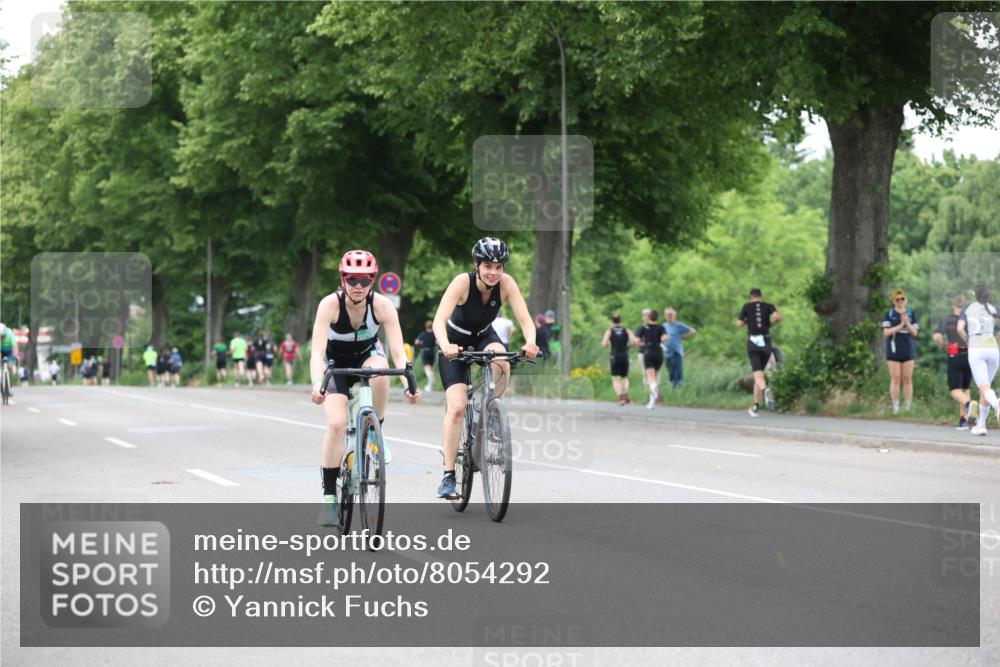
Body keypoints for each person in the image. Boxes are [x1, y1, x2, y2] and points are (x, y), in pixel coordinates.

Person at [310, 250, 419, 526]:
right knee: (336, 423)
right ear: (342, 279)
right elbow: (316, 352)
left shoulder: (382, 306)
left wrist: (408, 384)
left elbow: (397, 350)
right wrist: (316, 385)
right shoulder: (330, 305)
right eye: (352, 280)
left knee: (381, 371)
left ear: (373, 280)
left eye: (365, 281)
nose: (358, 287)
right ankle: (329, 499)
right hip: (334, 365)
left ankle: (374, 432)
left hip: (366, 357)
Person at [433, 237, 539, 499]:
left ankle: (493, 411)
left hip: (483, 335)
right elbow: (439, 321)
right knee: (457, 408)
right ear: (476, 265)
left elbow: (525, 319)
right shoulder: (462, 282)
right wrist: (446, 345)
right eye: (488, 266)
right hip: (454, 341)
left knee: (501, 358)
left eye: (499, 266)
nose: (493, 272)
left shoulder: (506, 283)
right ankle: (448, 476)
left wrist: (531, 342)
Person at [958, 285, 1000, 436]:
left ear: (974, 295)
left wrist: (968, 340)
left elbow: (959, 329)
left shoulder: (968, 309)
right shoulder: (993, 308)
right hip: (992, 346)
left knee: (984, 387)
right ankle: (981, 425)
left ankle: (997, 404)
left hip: (976, 346)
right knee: (986, 387)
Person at [737, 288, 782, 417]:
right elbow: (778, 317)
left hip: (753, 343)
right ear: (761, 296)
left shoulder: (747, 306)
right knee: (760, 375)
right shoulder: (768, 306)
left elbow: (739, 324)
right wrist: (769, 325)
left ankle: (766, 390)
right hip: (766, 343)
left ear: (751, 297)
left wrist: (747, 321)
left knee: (757, 375)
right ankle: (756, 406)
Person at [933, 294, 973, 429]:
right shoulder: (970, 320)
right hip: (970, 355)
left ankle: (970, 404)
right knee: (965, 388)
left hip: (954, 354)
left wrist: (944, 344)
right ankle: (964, 420)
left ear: (953, 305)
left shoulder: (947, 320)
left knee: (955, 390)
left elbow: (937, 336)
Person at [881, 289, 919, 414]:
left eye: (902, 299)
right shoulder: (889, 314)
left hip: (908, 349)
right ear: (893, 301)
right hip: (894, 349)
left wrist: (907, 323)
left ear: (906, 300)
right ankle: (895, 407)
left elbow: (914, 333)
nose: (900, 301)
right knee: (896, 378)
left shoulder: (911, 313)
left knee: (907, 378)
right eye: (897, 299)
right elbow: (886, 332)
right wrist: (900, 325)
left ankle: (908, 406)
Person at [602, 314, 639, 405]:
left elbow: (604, 344)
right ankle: (625, 392)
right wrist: (628, 346)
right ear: (620, 321)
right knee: (624, 377)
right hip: (624, 356)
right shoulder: (627, 330)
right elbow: (635, 341)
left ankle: (621, 398)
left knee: (615, 378)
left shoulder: (609, 331)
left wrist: (609, 343)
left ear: (612, 321)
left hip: (614, 356)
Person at [639, 310, 668, 409]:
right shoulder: (661, 327)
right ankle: (651, 403)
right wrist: (661, 340)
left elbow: (637, 340)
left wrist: (643, 342)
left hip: (648, 352)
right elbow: (665, 337)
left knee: (650, 378)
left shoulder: (644, 327)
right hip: (659, 353)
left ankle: (655, 392)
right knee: (654, 378)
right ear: (657, 318)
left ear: (649, 317)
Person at [663, 307, 696, 389]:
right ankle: (672, 388)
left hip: (676, 352)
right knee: (670, 372)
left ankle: (678, 389)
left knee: (677, 372)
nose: (669, 316)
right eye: (668, 315)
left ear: (675, 315)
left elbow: (692, 331)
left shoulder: (678, 325)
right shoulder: (664, 325)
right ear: (665, 316)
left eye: (671, 314)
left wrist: (684, 336)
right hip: (667, 352)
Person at [414, 321, 437, 392]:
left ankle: (429, 385)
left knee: (427, 369)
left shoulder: (423, 334)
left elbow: (416, 342)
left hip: (425, 352)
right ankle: (430, 384)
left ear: (426, 326)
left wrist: (422, 342)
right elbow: (437, 342)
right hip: (432, 352)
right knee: (430, 368)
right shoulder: (434, 334)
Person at [0, 322, 17, 396]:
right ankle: (1, 383)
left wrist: (15, 355)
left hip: (9, 352)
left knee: (10, 367)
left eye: (3, 336)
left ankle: (11, 387)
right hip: (0, 350)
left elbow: (14, 347)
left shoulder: (10, 334)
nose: (1, 338)